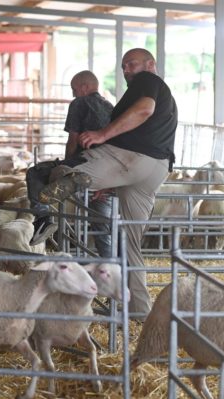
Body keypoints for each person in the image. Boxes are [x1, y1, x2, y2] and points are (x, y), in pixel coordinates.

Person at [39, 48, 178, 316]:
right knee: (130, 244)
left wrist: (103, 133)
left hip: (129, 157)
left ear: (150, 65)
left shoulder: (148, 81)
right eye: (124, 66)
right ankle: (139, 312)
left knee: (57, 172)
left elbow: (144, 110)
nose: (127, 70)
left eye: (132, 64)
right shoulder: (166, 97)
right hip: (155, 168)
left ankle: (53, 209)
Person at [26, 70, 115, 255]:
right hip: (106, 172)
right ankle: (113, 268)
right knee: (102, 225)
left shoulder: (79, 103)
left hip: (82, 165)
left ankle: (43, 217)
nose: (73, 93)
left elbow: (73, 139)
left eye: (74, 89)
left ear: (85, 87)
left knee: (34, 173)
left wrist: (64, 165)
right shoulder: (110, 106)